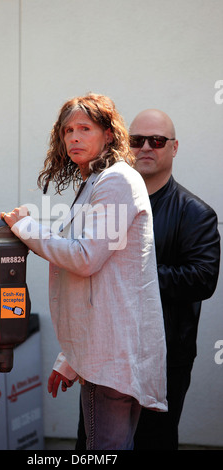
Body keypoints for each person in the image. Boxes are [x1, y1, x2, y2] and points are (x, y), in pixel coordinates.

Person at [1, 93, 167, 450]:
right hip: (107, 354)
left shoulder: (116, 181)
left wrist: (26, 228)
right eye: (67, 131)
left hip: (111, 362)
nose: (74, 137)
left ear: (108, 134)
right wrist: (70, 359)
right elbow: (98, 285)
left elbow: (84, 258)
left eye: (84, 128)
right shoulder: (98, 181)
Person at [127, 109, 220, 450]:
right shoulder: (109, 206)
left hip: (166, 360)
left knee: (153, 443)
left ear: (174, 147)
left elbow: (202, 280)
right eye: (137, 141)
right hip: (110, 355)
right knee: (94, 445)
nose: (146, 148)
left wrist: (133, 274)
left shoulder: (195, 213)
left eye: (157, 140)